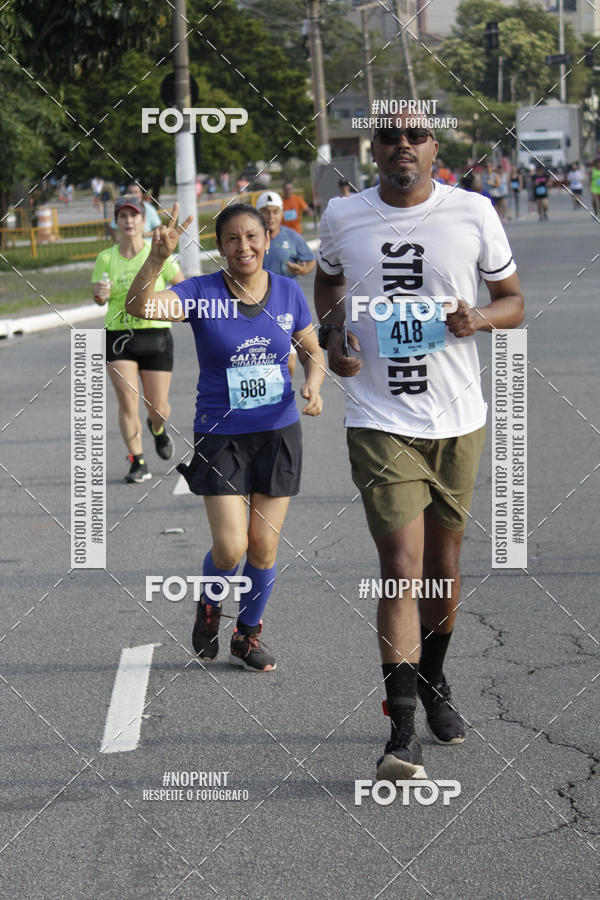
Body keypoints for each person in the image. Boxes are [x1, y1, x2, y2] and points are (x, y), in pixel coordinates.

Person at [314, 116, 524, 781]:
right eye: (388, 136)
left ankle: (434, 680)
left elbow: (514, 300)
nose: (402, 144)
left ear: (436, 147)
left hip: (458, 420)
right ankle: (401, 730)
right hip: (379, 418)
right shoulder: (344, 214)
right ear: (372, 151)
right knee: (402, 565)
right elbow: (326, 283)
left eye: (416, 135)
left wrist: (480, 318)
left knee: (443, 565)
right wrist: (333, 333)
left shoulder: (472, 211)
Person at [124, 202, 325, 672]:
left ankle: (248, 636)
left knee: (264, 547)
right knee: (232, 547)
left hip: (278, 433)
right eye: (232, 239)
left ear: (267, 240)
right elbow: (139, 307)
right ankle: (210, 605)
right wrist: (155, 259)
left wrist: (313, 384)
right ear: (220, 247)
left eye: (252, 237)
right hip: (221, 436)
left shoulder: (289, 293)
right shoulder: (201, 292)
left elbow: (312, 349)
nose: (244, 246)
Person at [92, 195, 184, 483]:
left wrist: (166, 306)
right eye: (123, 216)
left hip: (156, 334)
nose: (129, 221)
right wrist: (100, 295)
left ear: (144, 221)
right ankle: (137, 461)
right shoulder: (106, 258)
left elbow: (183, 288)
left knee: (158, 407)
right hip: (119, 336)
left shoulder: (156, 252)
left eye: (134, 216)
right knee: (127, 399)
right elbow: (99, 297)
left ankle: (157, 428)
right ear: (116, 222)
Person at [256, 191, 316, 279]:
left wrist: (303, 270)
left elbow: (311, 260)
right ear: (258, 214)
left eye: (275, 212)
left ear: (281, 213)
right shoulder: (250, 239)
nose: (271, 216)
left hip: (286, 291)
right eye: (266, 212)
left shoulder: (292, 236)